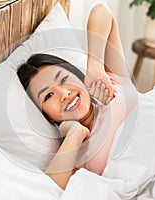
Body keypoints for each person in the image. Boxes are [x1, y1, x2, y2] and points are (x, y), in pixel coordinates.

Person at [17, 4, 136, 189]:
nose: (64, 94)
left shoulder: (112, 84)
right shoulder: (75, 154)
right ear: (47, 116)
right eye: (48, 95)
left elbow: (102, 12)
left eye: (64, 79)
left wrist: (95, 67)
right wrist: (75, 132)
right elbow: (46, 190)